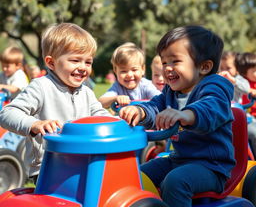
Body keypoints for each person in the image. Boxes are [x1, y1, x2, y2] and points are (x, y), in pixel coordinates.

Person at [119, 25, 235, 207]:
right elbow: (155, 106)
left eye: (175, 61)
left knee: (176, 182)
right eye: (164, 63)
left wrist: (187, 115)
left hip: (211, 167)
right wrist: (140, 111)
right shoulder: (171, 92)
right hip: (177, 160)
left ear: (204, 66)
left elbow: (212, 107)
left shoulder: (216, 86)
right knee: (136, 175)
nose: (167, 69)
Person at [0, 23, 112, 184]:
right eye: (75, 60)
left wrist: (119, 123)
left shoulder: (86, 92)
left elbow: (100, 115)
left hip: (83, 160)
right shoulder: (41, 87)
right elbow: (7, 113)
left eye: (88, 62)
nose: (82, 67)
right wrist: (34, 124)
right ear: (51, 63)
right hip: (48, 166)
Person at [98, 42, 161, 109]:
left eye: (134, 70)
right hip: (123, 119)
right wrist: (115, 98)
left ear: (143, 69)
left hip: (146, 118)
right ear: (115, 71)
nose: (129, 75)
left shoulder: (146, 85)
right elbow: (100, 102)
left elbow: (160, 98)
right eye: (123, 71)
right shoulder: (117, 87)